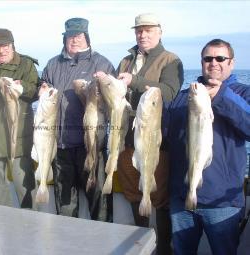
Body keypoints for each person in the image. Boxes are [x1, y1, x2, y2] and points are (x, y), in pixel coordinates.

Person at [164, 39, 250, 254]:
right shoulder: (185, 96)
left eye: (220, 58)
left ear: (231, 62)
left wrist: (221, 97)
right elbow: (164, 136)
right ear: (202, 62)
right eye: (208, 58)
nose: (214, 63)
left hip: (223, 203)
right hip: (181, 198)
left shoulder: (242, 93)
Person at [116, 13, 184, 255]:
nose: (142, 34)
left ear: (159, 31)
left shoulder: (170, 60)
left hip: (157, 142)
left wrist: (134, 80)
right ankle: (142, 247)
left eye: (148, 30)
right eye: (139, 30)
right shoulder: (125, 60)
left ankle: (164, 248)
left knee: (161, 199)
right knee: (135, 195)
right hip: (127, 141)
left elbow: (168, 92)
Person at [39, 17, 115, 221]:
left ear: (87, 36)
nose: (74, 40)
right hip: (60, 147)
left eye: (79, 35)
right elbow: (44, 88)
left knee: (99, 205)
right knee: (64, 207)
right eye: (70, 36)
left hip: (91, 146)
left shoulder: (102, 64)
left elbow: (113, 105)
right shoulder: (53, 64)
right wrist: (43, 89)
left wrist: (101, 88)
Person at [0, 28, 39, 208]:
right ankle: (4, 226)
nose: (1, 50)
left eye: (5, 45)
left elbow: (35, 91)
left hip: (19, 138)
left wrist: (22, 87)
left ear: (13, 46)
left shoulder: (26, 65)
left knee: (25, 186)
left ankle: (32, 223)